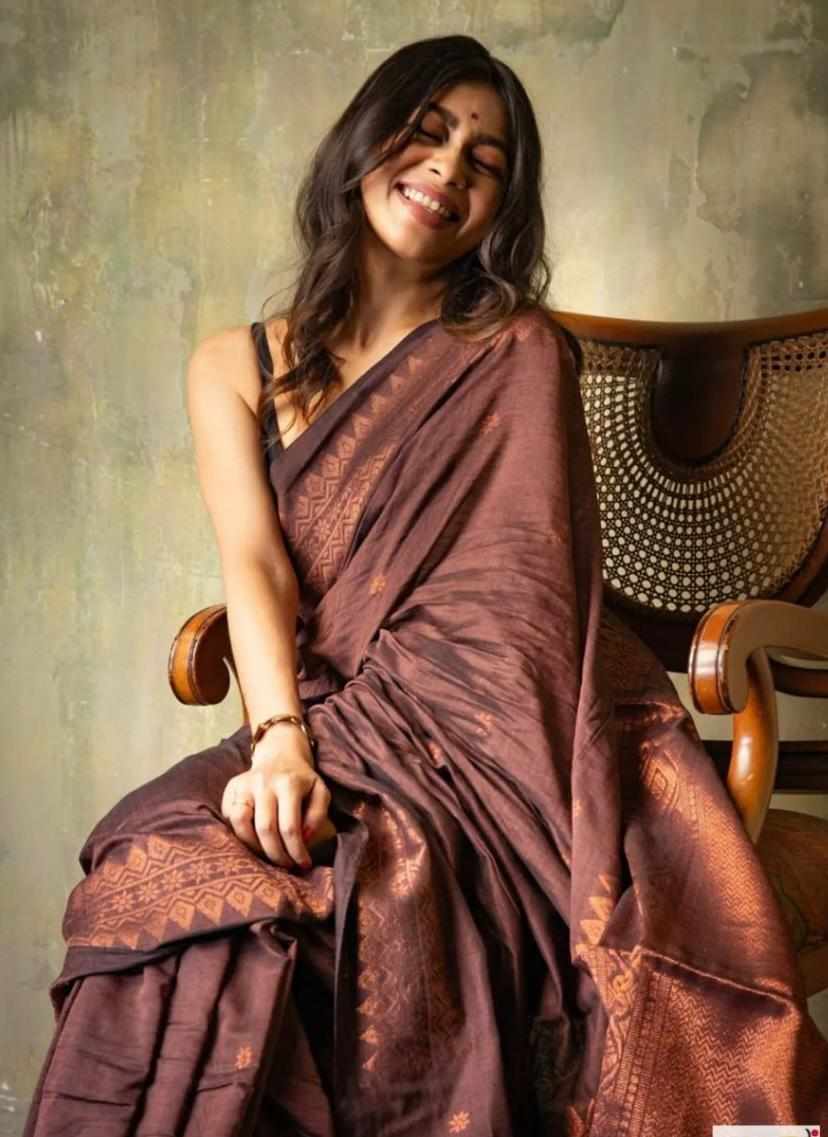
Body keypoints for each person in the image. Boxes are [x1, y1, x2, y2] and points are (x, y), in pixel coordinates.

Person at [24, 34, 828, 1137]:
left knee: (321, 911)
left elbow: (519, 609)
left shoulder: (517, 351)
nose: (449, 167)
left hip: (491, 736)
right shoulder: (232, 365)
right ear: (365, 142)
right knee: (148, 858)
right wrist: (281, 742)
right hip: (319, 717)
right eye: (429, 131)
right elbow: (256, 566)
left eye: (485, 161)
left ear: (500, 207)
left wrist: (388, 756)